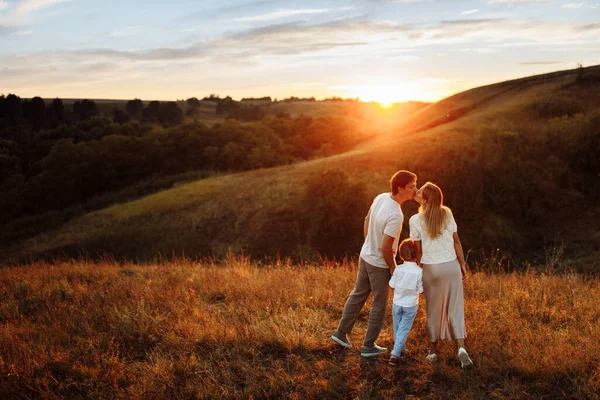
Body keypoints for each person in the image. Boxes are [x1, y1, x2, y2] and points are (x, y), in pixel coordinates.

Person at [331, 170, 417, 357]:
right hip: (379, 264)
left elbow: (366, 220)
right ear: (400, 188)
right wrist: (393, 267)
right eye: (411, 187)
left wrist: (368, 244)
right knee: (379, 304)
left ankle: (340, 333)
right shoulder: (396, 214)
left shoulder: (380, 197)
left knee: (358, 294)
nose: (415, 190)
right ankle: (368, 346)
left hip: (366, 256)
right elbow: (386, 247)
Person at [409, 182, 474, 369]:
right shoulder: (447, 213)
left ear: (426, 198)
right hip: (451, 266)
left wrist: (418, 269)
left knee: (433, 310)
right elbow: (456, 241)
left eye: (420, 191)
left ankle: (433, 352)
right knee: (455, 308)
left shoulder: (415, 220)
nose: (417, 191)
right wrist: (461, 264)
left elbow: (418, 251)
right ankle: (461, 348)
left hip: (431, 268)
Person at [388, 239, 423, 366]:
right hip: (410, 305)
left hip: (397, 303)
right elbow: (420, 289)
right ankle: (395, 355)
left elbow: (391, 284)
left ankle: (400, 348)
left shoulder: (398, 269)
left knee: (397, 327)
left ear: (401, 254)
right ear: (417, 253)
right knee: (403, 328)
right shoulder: (419, 271)